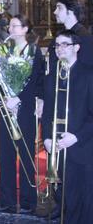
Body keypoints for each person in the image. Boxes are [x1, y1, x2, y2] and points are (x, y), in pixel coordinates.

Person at [42, 30, 93, 223]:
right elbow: (47, 112)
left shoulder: (89, 74)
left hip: (84, 147)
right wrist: (46, 137)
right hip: (59, 149)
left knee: (87, 202)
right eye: (57, 45)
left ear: (77, 48)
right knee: (68, 201)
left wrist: (76, 136)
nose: (60, 49)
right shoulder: (51, 76)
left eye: (65, 44)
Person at [0, 14, 44, 214]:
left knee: (25, 155)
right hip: (7, 109)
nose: (10, 29)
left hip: (24, 110)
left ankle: (27, 201)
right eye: (10, 26)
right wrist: (2, 100)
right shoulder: (3, 51)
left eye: (15, 26)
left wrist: (19, 99)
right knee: (5, 156)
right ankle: (6, 199)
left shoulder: (34, 51)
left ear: (25, 29)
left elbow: (36, 81)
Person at [47, 0, 93, 72]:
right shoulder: (61, 35)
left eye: (59, 8)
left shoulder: (84, 38)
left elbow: (86, 70)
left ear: (71, 11)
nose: (55, 12)